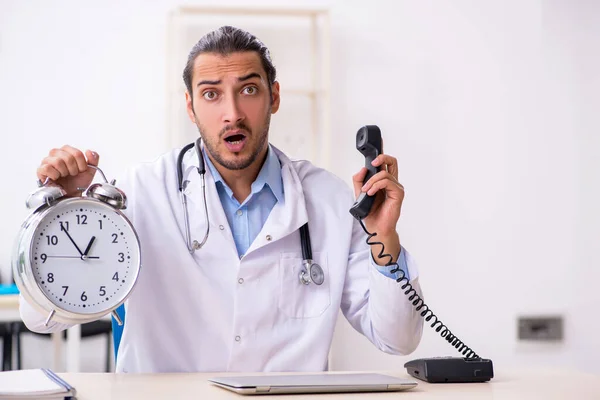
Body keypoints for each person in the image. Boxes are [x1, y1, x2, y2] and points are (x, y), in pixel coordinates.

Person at [19, 26, 423, 373]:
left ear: (274, 97)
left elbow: (398, 338)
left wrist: (384, 236)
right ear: (191, 108)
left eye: (248, 89)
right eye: (211, 95)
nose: (233, 113)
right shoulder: (139, 192)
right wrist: (66, 212)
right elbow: (42, 318)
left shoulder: (330, 199)